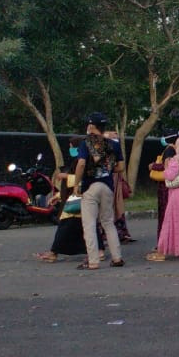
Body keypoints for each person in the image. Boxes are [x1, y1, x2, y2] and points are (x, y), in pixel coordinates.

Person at [36, 137, 105, 262]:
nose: (70, 149)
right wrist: (58, 196)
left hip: (80, 197)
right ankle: (98, 250)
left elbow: (85, 179)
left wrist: (66, 176)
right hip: (77, 198)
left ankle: (54, 252)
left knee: (66, 226)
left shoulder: (84, 161)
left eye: (71, 146)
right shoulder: (79, 160)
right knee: (87, 225)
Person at [74, 112, 124, 270]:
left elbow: (81, 164)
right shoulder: (114, 144)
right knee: (108, 222)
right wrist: (107, 170)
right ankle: (117, 258)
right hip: (107, 186)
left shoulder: (86, 143)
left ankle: (93, 260)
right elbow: (121, 167)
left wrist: (76, 184)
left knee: (89, 224)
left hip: (90, 187)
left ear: (91, 126)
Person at [103, 127, 135, 244]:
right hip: (114, 180)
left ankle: (110, 234)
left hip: (110, 180)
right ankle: (119, 232)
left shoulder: (107, 148)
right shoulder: (114, 148)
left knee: (109, 208)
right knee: (115, 206)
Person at [150, 130, 179, 239]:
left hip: (165, 187)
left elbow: (167, 168)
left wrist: (153, 166)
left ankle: (163, 243)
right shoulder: (178, 151)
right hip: (172, 186)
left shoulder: (169, 150)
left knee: (164, 215)